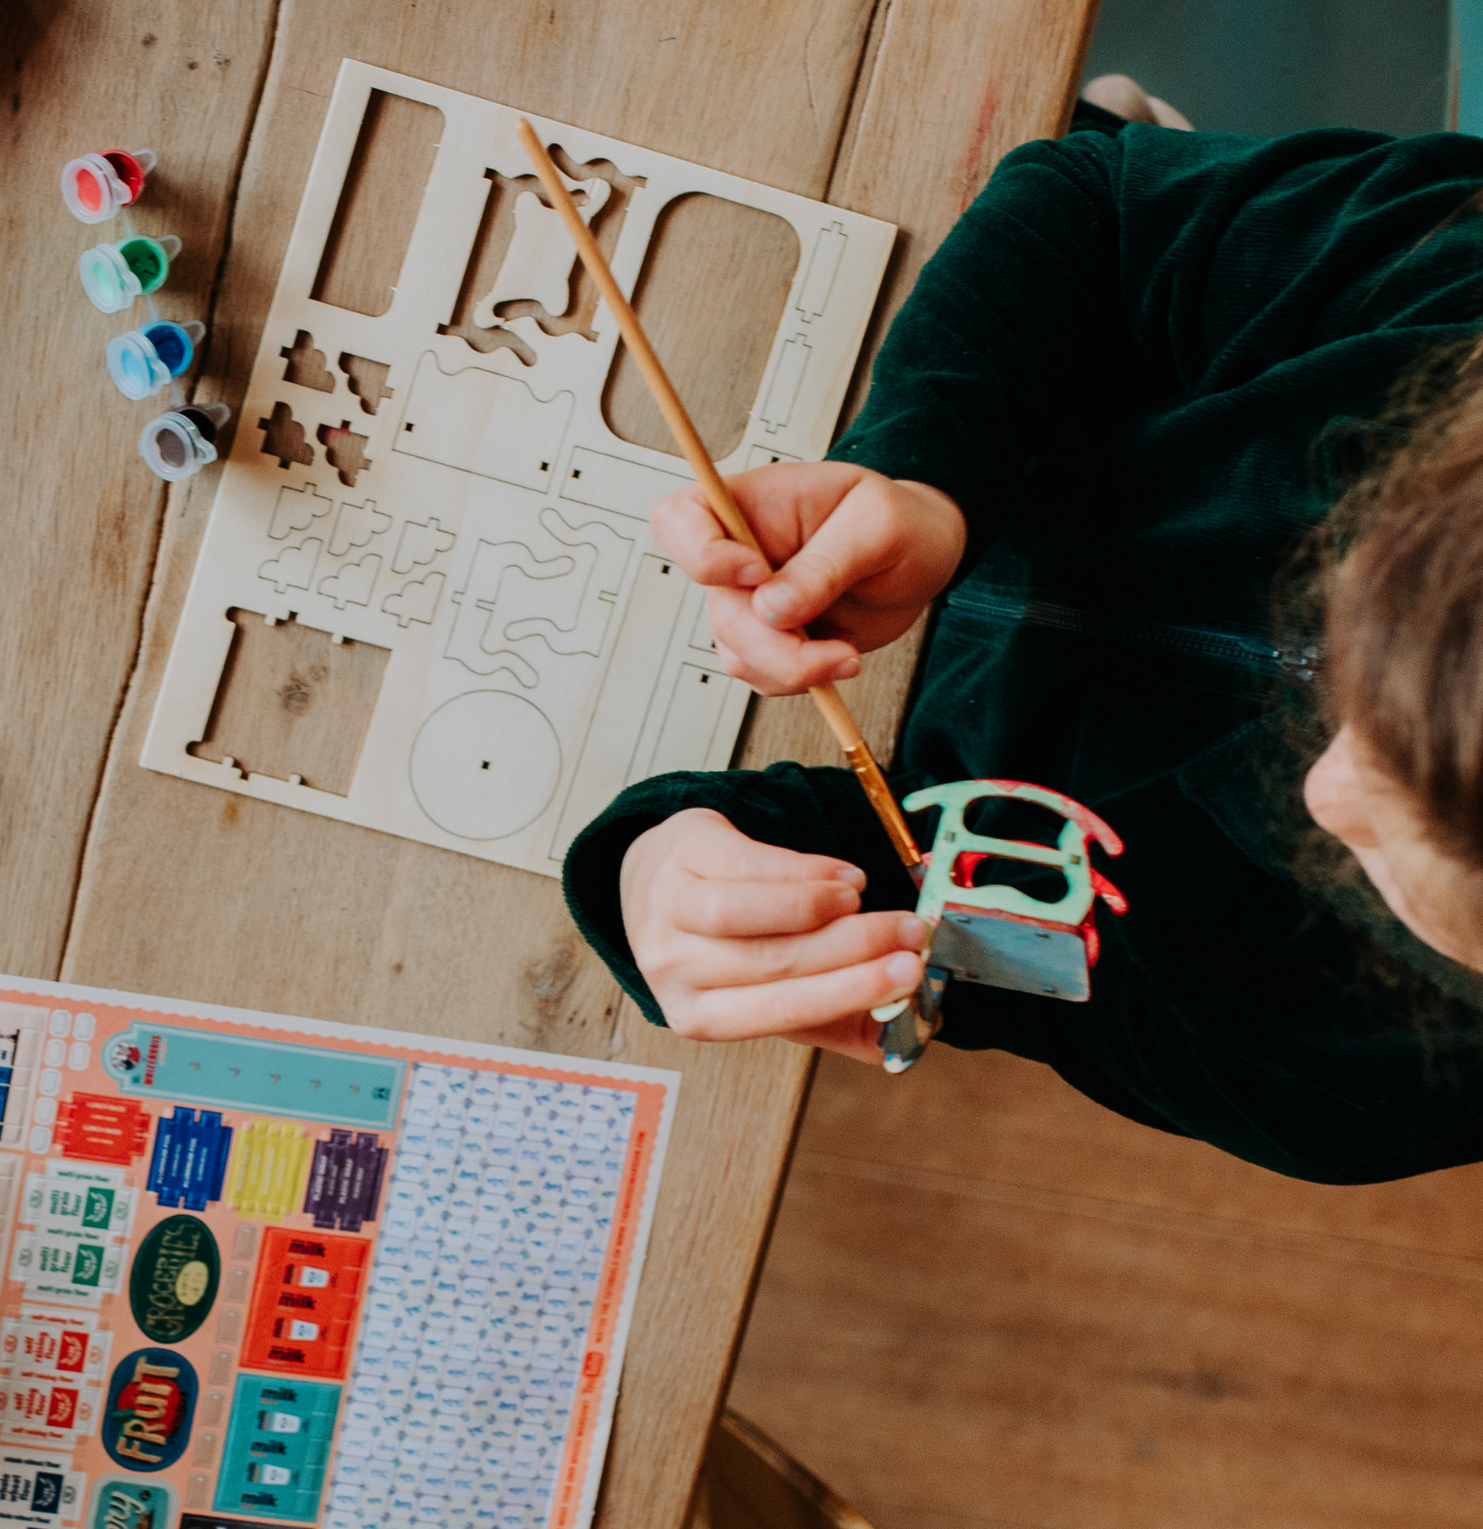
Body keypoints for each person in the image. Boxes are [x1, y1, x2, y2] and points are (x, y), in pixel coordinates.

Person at [561, 102, 1483, 1185]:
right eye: (1364, 636)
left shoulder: (1345, 1077)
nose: (1323, 799)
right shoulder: (1452, 310)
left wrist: (657, 879)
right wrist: (923, 477)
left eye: (1423, 877)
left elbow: (923, 913)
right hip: (1041, 334)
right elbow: (1094, 206)